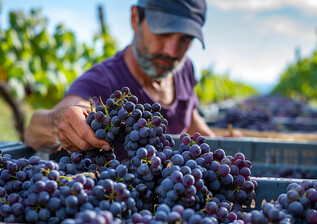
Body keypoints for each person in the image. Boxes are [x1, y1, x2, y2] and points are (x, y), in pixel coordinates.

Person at [24, 0, 220, 156]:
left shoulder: (184, 68)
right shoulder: (102, 79)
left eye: (185, 39)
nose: (172, 51)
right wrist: (59, 121)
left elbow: (191, 119)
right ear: (135, 19)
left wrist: (221, 142)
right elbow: (34, 130)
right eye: (164, 32)